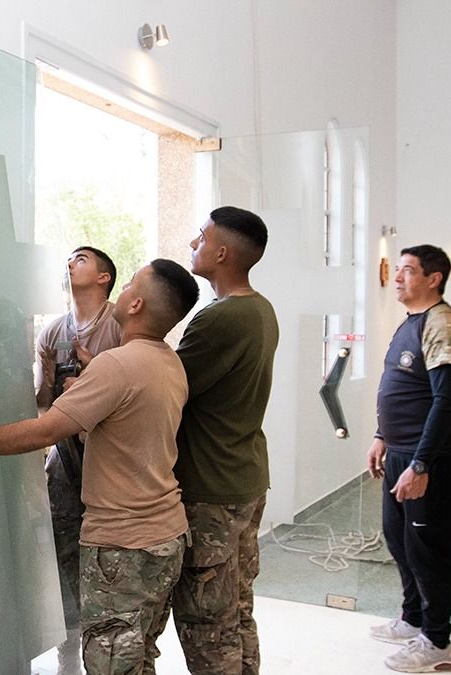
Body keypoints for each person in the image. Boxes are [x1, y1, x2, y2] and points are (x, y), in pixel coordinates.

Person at [0, 259, 200, 674]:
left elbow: (42, 431)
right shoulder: (168, 362)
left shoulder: (116, 365)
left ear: (136, 305)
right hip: (166, 535)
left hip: (123, 546)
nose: (122, 290)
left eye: (130, 284)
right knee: (137, 657)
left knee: (109, 662)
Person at [170, 206, 278, 675]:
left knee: (207, 623)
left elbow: (169, 387)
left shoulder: (221, 317)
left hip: (212, 487)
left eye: (200, 237)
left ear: (221, 252)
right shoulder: (260, 308)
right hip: (244, 476)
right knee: (235, 611)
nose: (193, 244)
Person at [367, 244, 451, 673]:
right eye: (397, 270)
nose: (397, 277)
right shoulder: (412, 321)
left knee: (429, 551)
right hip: (401, 453)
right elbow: (403, 389)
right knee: (401, 542)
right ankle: (413, 619)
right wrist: (381, 436)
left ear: (434, 278)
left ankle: (437, 642)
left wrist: (422, 464)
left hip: (435, 461)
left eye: (408, 271)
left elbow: (446, 402)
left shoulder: (444, 324)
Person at [33, 246, 122, 674]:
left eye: (82, 258)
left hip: (109, 463)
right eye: (67, 257)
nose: (70, 262)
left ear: (104, 277)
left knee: (108, 564)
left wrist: (93, 376)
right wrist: (48, 378)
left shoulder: (120, 327)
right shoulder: (53, 332)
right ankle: (67, 653)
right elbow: (42, 404)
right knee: (64, 558)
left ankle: (103, 651)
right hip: (64, 464)